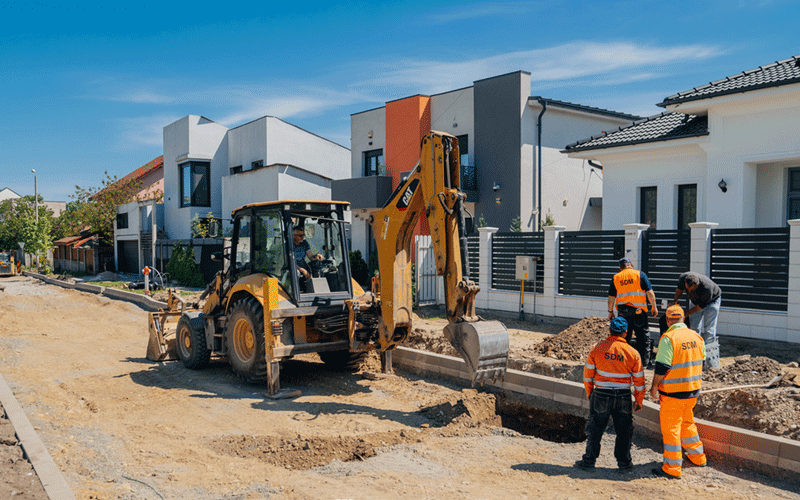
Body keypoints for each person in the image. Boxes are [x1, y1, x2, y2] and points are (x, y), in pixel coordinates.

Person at [574, 317, 645, 473]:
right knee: (624, 431)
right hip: (623, 396)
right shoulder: (633, 353)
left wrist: (589, 392)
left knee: (595, 429)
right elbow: (639, 381)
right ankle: (625, 465)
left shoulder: (597, 348)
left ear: (609, 331)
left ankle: (588, 462)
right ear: (625, 333)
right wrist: (639, 400)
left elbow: (587, 375)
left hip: (600, 394)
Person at [649, 304, 707, 479]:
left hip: (673, 393)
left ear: (668, 320)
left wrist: (653, 387)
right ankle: (698, 457)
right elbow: (701, 361)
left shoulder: (668, 338)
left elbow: (661, 366)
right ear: (683, 319)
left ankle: (672, 467)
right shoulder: (697, 337)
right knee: (687, 422)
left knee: (671, 428)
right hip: (692, 392)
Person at [608, 256, 658, 368]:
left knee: (624, 337)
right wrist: (654, 306)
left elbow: (611, 297)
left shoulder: (616, 277)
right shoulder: (640, 274)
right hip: (639, 311)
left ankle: (622, 361)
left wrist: (610, 311)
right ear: (631, 265)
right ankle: (644, 363)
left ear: (621, 268)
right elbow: (650, 292)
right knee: (643, 337)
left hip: (623, 312)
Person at [671, 272, 721, 369]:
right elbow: (679, 289)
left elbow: (699, 308)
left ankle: (711, 365)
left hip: (712, 302)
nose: (689, 290)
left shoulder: (707, 288)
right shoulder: (683, 278)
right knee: (693, 329)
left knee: (709, 331)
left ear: (697, 285)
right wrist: (675, 301)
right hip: (696, 301)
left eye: (692, 288)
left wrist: (685, 314)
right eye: (688, 288)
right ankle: (696, 360)